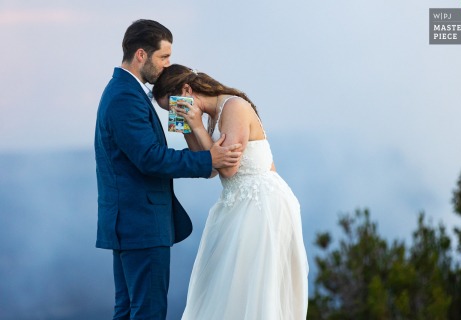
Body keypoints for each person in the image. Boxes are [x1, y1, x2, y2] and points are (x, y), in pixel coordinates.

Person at [94, 20, 242, 320]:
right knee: (147, 312)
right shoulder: (125, 96)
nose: (167, 65)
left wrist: (187, 119)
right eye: (163, 57)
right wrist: (208, 161)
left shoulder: (126, 91)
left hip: (131, 225)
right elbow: (149, 158)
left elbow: (151, 149)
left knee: (128, 310)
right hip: (141, 226)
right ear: (141, 55)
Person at [152, 64, 309, 319]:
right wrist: (189, 128)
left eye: (173, 105)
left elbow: (227, 169)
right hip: (236, 202)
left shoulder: (233, 107)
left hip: (262, 204)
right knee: (226, 285)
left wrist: (196, 125)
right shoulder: (210, 116)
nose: (173, 112)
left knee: (252, 285)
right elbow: (208, 166)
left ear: (186, 90)